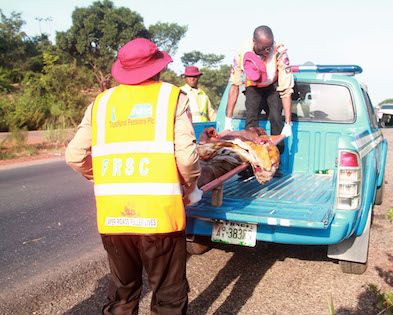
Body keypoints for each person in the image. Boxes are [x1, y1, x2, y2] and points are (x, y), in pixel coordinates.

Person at [65, 38, 202, 314]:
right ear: (157, 68)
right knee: (168, 296)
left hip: (114, 218)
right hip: (160, 218)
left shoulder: (101, 103)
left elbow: (74, 156)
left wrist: (104, 176)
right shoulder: (172, 97)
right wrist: (192, 187)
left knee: (122, 295)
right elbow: (186, 158)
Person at [225, 25, 294, 154]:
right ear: (254, 42)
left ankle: (276, 160)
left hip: (272, 86)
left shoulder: (280, 51)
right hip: (253, 86)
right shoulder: (242, 52)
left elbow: (286, 90)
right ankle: (250, 162)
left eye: (270, 46)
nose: (268, 51)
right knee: (250, 121)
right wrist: (228, 121)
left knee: (276, 119)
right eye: (264, 48)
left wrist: (288, 124)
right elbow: (234, 87)